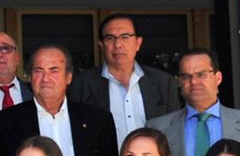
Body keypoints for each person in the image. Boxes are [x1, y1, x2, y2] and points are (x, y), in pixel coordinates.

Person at [73, 15, 182, 149]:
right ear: (101, 45)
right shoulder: (81, 84)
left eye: (125, 37)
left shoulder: (163, 82)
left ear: (138, 43)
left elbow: (175, 132)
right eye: (110, 38)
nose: (118, 44)